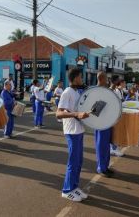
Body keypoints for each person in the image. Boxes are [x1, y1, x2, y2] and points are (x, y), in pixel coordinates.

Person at [56, 68, 90, 202]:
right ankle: (67, 190)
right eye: (81, 77)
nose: (82, 79)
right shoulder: (67, 92)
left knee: (79, 161)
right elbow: (58, 113)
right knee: (73, 162)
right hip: (71, 131)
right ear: (75, 78)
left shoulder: (77, 92)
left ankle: (74, 187)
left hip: (79, 130)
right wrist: (76, 114)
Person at [94, 72, 115, 177]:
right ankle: (101, 168)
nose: (107, 80)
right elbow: (95, 109)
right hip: (101, 122)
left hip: (107, 121)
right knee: (101, 145)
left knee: (106, 145)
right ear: (101, 79)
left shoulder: (104, 90)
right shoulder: (96, 91)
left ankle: (105, 166)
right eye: (106, 78)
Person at [109, 76, 125, 157]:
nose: (124, 84)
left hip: (118, 113)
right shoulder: (116, 91)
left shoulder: (120, 91)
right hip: (114, 114)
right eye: (123, 82)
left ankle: (114, 148)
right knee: (115, 132)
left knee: (117, 132)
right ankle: (113, 149)